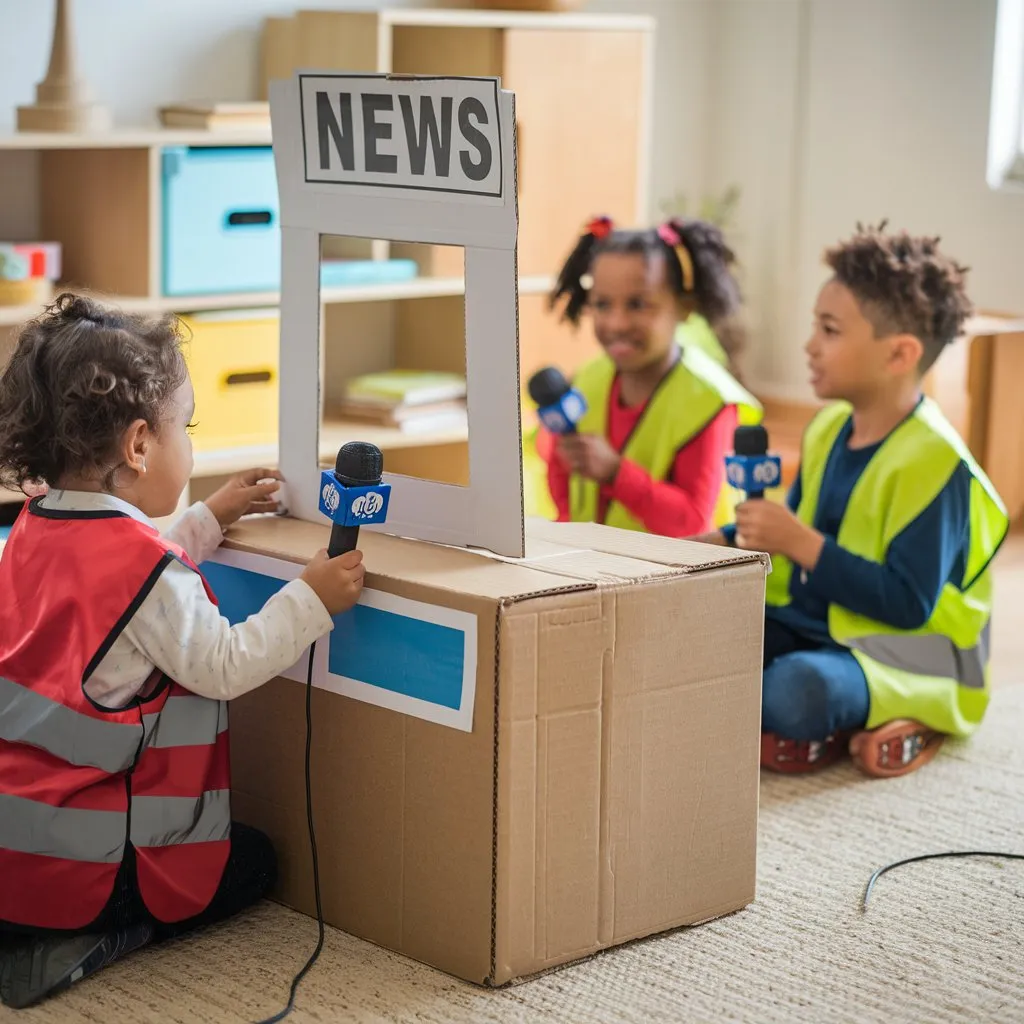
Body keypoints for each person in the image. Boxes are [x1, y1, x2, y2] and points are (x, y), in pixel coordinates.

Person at [0, 294, 365, 1009]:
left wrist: (208, 517)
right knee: (256, 861)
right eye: (184, 429)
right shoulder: (147, 573)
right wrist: (312, 597)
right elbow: (220, 662)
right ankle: (102, 935)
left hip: (12, 851)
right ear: (138, 446)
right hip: (84, 870)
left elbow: (128, 604)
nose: (190, 447)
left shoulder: (30, 533)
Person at [696, 223, 1009, 778]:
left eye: (830, 329)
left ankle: (909, 721)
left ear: (899, 354)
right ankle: (820, 727)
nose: (810, 344)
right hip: (820, 626)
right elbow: (785, 534)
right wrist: (718, 544)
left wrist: (802, 543)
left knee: (795, 692)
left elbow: (909, 604)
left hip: (905, 655)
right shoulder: (828, 428)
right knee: (707, 643)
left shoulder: (935, 463)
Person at [537, 215, 762, 537]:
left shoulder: (708, 401)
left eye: (637, 304)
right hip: (595, 569)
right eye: (602, 304)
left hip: (677, 580)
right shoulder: (589, 379)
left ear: (685, 305)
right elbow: (563, 480)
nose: (616, 324)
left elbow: (693, 522)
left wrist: (616, 473)